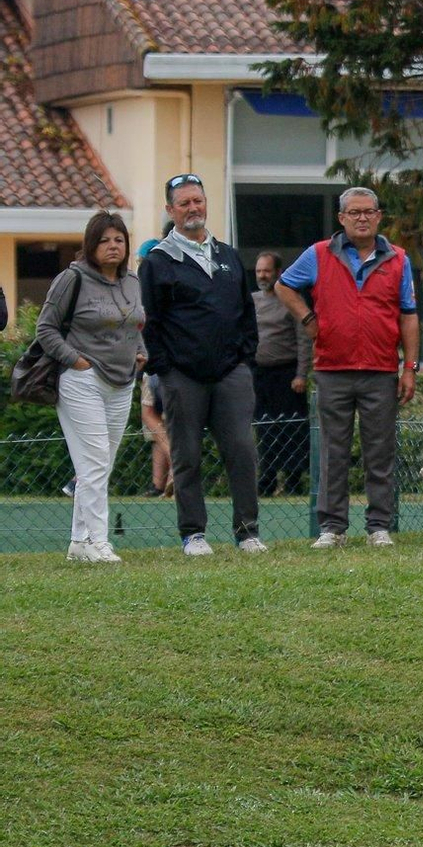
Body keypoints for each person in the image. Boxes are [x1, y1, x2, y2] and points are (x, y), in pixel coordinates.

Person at [276, 187, 420, 548]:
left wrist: (410, 368)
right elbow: (283, 286)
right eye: (353, 212)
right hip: (332, 368)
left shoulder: (399, 259)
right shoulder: (318, 254)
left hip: (381, 368)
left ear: (379, 216)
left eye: (368, 211)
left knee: (380, 452)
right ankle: (332, 528)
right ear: (341, 218)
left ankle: (379, 526)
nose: (361, 218)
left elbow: (409, 316)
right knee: (333, 452)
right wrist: (308, 317)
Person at [139, 173, 264, 556]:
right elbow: (150, 322)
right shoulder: (157, 262)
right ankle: (193, 534)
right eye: (184, 203)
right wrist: (165, 368)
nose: (193, 208)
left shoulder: (227, 255)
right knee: (186, 455)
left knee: (242, 451)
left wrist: (244, 358)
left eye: (198, 201)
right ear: (170, 210)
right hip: (182, 376)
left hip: (231, 373)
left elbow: (246, 313)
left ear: (206, 203)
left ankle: (248, 532)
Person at [34, 211, 145, 563]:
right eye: (104, 240)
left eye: (119, 240)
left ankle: (79, 542)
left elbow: (136, 325)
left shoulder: (133, 281)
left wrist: (141, 352)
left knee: (101, 462)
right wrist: (75, 360)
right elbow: (45, 329)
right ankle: (100, 541)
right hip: (82, 380)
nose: (113, 246)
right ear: (90, 245)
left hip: (123, 381)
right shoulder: (72, 278)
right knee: (94, 459)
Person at [251, 250, 313, 497]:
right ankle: (266, 480)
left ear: (278, 272)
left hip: (288, 376)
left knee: (292, 430)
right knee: (264, 429)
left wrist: (301, 374)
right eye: (258, 271)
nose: (262, 275)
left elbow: (303, 340)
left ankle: (294, 481)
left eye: (267, 270)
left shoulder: (291, 300)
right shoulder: (251, 301)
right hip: (259, 375)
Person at [139, 374, 173, 497]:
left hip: (158, 371)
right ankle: (158, 486)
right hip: (155, 371)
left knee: (152, 418)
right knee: (157, 428)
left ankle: (174, 473)